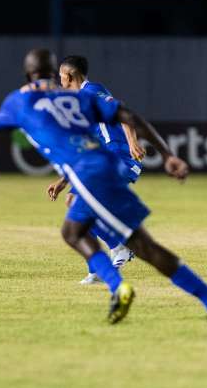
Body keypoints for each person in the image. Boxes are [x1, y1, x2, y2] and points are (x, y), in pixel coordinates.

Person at [0, 48, 207, 336]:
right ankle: (127, 286)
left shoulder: (19, 100)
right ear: (53, 74)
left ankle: (204, 298)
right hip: (100, 168)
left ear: (29, 74)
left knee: (143, 246)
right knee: (73, 231)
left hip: (94, 174)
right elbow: (128, 114)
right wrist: (167, 154)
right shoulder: (77, 99)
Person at [47, 55, 146, 284]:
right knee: (74, 202)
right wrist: (63, 182)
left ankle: (119, 247)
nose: (60, 81)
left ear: (69, 76)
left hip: (120, 155)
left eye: (61, 76)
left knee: (80, 205)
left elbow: (122, 112)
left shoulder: (92, 91)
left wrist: (131, 142)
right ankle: (98, 266)